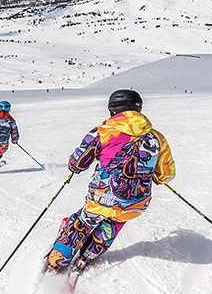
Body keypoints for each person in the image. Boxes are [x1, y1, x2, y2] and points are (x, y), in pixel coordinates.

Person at [45, 90, 176, 274]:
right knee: (113, 223)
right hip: (136, 203)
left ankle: (57, 261)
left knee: (82, 222)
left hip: (102, 197)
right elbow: (166, 174)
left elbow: (78, 162)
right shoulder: (156, 137)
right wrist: (156, 176)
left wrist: (74, 167)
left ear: (113, 110)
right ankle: (87, 256)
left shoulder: (102, 132)